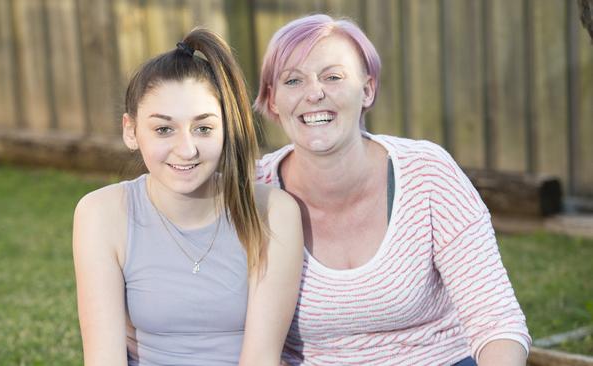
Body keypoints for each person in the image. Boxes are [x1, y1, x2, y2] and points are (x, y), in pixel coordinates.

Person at [254, 14, 531, 366]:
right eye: (293, 80)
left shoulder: (427, 173)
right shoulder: (254, 191)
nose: (314, 93)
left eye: (333, 76)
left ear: (367, 89)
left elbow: (496, 321)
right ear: (274, 101)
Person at [72, 28, 303, 366]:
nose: (186, 149)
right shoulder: (102, 214)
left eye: (203, 128)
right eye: (164, 129)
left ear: (226, 129)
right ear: (130, 131)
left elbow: (261, 359)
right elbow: (104, 358)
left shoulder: (272, 211)